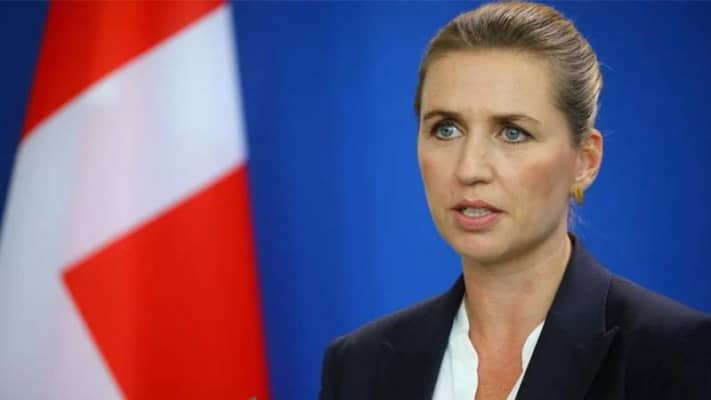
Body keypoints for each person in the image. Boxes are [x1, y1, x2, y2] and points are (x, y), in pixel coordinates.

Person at [319, 1, 711, 399]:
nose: (469, 168)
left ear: (585, 161)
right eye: (446, 129)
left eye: (512, 133)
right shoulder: (357, 365)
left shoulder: (681, 356)